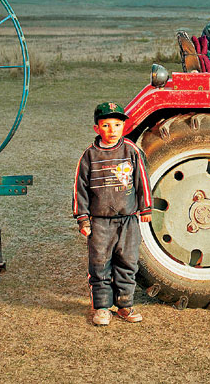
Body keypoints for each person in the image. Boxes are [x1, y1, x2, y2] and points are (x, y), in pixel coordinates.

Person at [73, 102, 153, 326]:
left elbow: (142, 181)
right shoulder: (89, 156)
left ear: (124, 126)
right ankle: (102, 307)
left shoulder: (131, 151)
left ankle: (125, 305)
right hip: (99, 223)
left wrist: (145, 208)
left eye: (117, 124)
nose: (112, 130)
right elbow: (80, 189)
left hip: (127, 220)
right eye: (106, 125)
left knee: (128, 262)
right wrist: (83, 218)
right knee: (100, 264)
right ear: (96, 128)